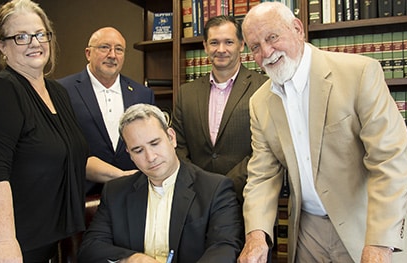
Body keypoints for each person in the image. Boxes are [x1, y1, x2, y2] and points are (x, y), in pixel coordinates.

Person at [238, 2, 407, 263]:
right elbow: (262, 175)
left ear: (297, 29)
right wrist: (257, 235)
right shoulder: (259, 103)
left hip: (368, 225)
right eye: (255, 47)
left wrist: (380, 243)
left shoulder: (359, 74)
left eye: (272, 37)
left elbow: (390, 161)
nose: (266, 52)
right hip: (308, 233)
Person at [0, 0, 89, 262]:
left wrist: (126, 174)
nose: (35, 43)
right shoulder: (0, 92)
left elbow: (70, 156)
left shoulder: (58, 93)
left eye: (40, 34)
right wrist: (5, 243)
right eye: (21, 37)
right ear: (1, 45)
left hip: (38, 240)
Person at [77, 103, 244, 263]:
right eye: (138, 150)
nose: (150, 157)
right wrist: (133, 259)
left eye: (155, 144)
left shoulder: (215, 189)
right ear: (129, 154)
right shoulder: (115, 191)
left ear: (171, 138)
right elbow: (90, 248)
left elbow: (224, 249)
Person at [171, 15, 268, 203]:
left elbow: (264, 150)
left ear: (241, 45)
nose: (221, 50)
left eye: (229, 42)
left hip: (246, 198)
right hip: (195, 199)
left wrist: (226, 184)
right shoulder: (186, 93)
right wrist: (199, 183)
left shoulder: (263, 88)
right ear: (205, 46)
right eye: (214, 42)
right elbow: (178, 146)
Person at [57, 27, 155, 196]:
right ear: (88, 53)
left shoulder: (142, 94)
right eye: (104, 47)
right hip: (81, 196)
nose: (112, 55)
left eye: (119, 49)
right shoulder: (62, 91)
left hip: (133, 195)